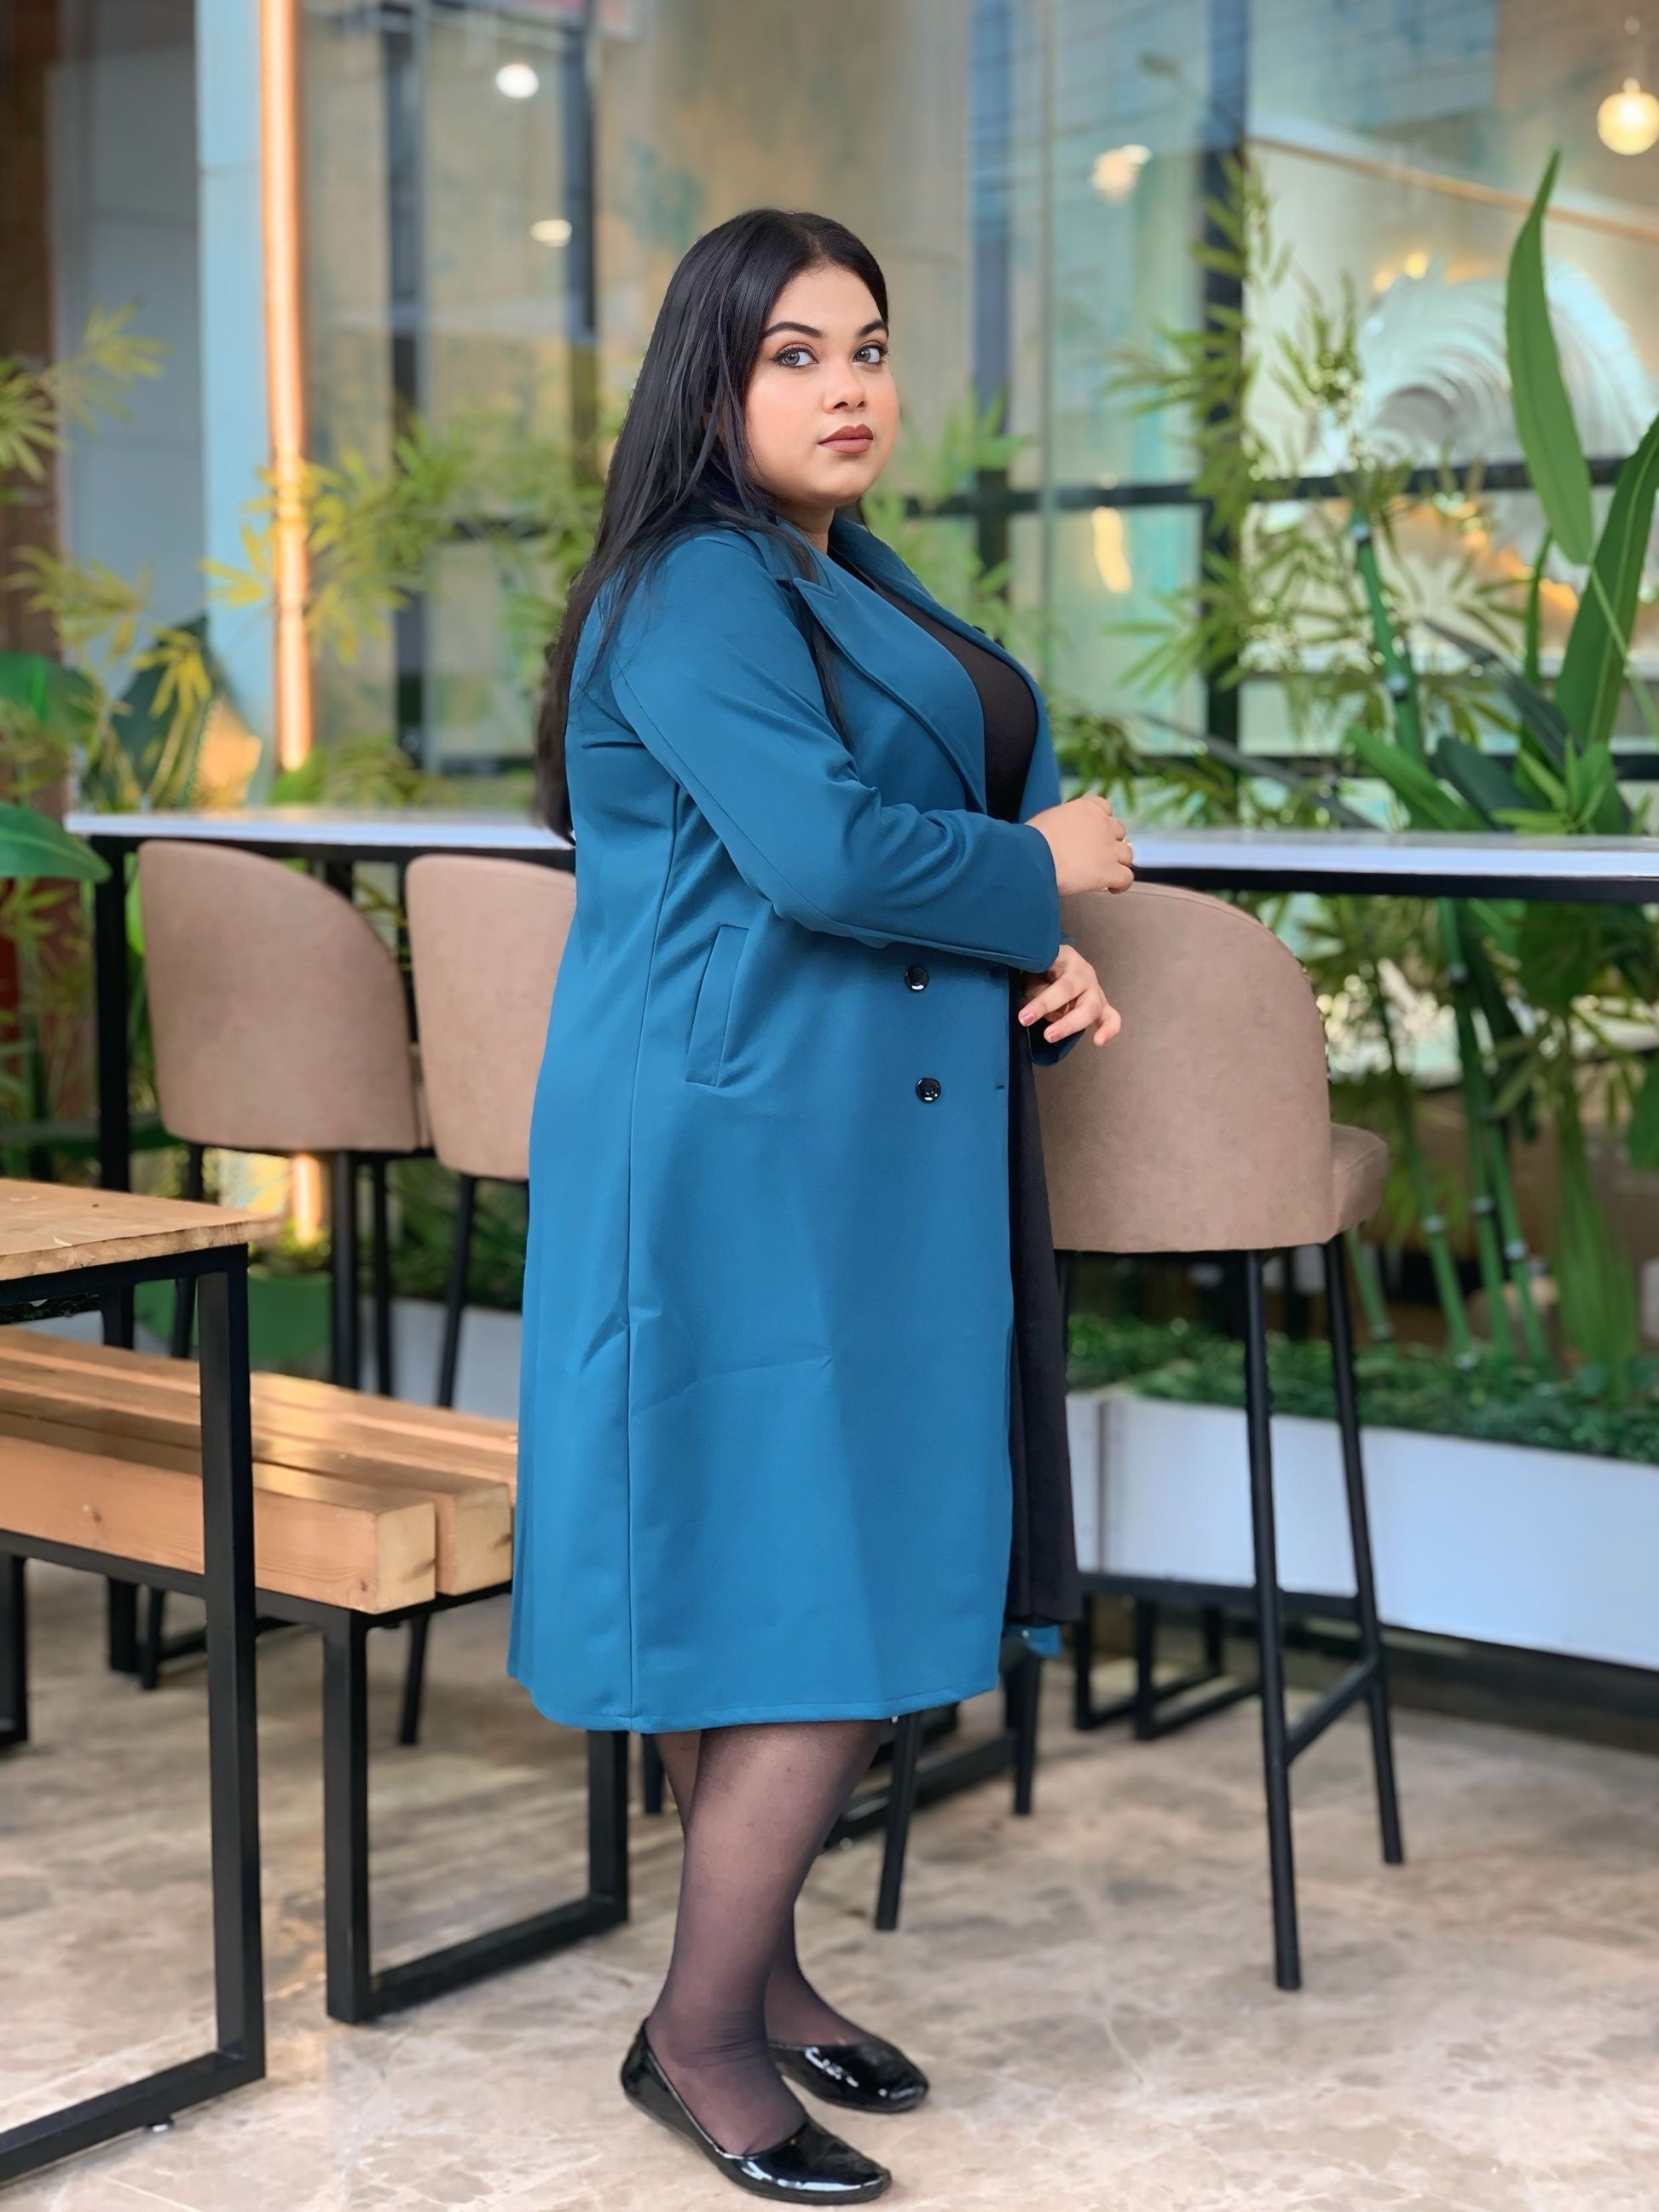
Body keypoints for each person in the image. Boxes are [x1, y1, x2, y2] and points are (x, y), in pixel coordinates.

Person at [512, 206, 1133, 2204]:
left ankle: (758, 1974)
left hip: (834, 1129)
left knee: (790, 1560)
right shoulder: (698, 583)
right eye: (794, 351)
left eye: (866, 344)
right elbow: (812, 850)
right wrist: (1036, 869)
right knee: (809, 1577)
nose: (849, 382)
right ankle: (692, 2031)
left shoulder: (820, 570)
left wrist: (1041, 952)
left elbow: (875, 853)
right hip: (739, 1151)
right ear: (710, 376)